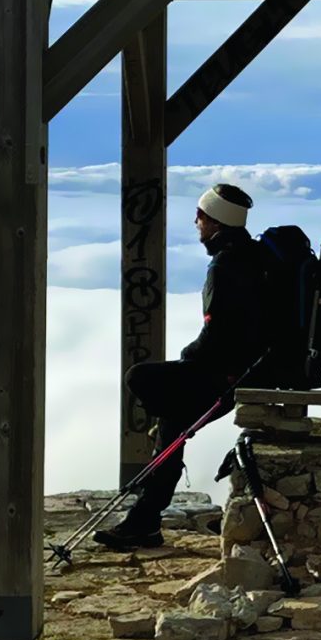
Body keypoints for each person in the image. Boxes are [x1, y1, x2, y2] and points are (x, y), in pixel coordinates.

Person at [96, 182, 270, 550]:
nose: (196, 222)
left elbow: (217, 335)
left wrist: (187, 356)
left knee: (140, 379)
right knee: (171, 425)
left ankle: (144, 521)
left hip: (225, 377)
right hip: (249, 370)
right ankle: (144, 520)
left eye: (201, 216)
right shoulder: (254, 256)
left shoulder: (226, 265)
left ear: (216, 222)